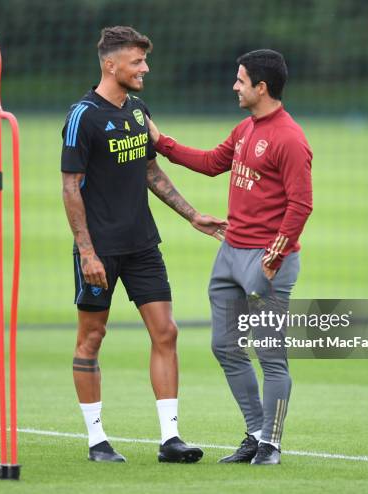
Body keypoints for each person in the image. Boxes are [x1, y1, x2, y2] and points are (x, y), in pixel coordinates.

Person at [61, 26, 225, 463]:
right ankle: (97, 441)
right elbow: (71, 188)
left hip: (142, 245)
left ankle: (170, 439)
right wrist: (87, 252)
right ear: (110, 65)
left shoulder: (138, 109)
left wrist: (192, 215)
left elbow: (150, 171)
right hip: (100, 250)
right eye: (137, 62)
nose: (145, 68)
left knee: (166, 332)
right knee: (92, 337)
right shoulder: (82, 115)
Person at [147, 49, 313, 465]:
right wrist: (161, 142)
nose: (234, 86)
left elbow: (301, 204)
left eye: (240, 80)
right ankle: (256, 433)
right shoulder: (245, 130)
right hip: (229, 254)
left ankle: (271, 445)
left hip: (264, 261)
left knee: (271, 355)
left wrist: (273, 257)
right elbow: (209, 163)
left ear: (261, 87)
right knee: (226, 347)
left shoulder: (290, 138)